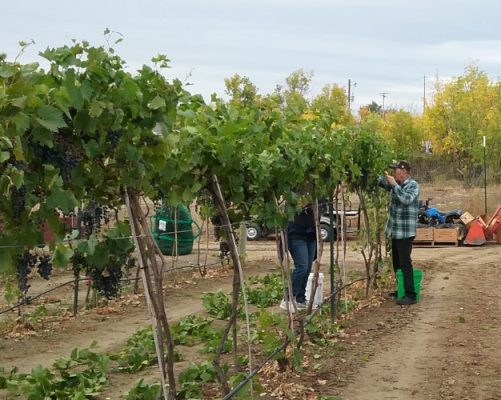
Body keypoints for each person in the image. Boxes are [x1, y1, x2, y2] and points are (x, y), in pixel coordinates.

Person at [379, 160, 420, 305]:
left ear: (403, 171)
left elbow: (406, 199)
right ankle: (401, 289)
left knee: (405, 263)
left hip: (405, 232)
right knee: (396, 262)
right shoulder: (396, 185)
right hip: (395, 231)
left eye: (395, 170)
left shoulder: (413, 185)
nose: (393, 172)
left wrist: (394, 185)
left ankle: (411, 294)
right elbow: (381, 183)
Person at [280, 204, 317, 311]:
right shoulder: (294, 194)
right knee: (302, 267)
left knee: (307, 268)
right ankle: (288, 297)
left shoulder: (314, 192)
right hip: (296, 233)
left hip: (311, 234)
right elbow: (290, 210)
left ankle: (300, 298)